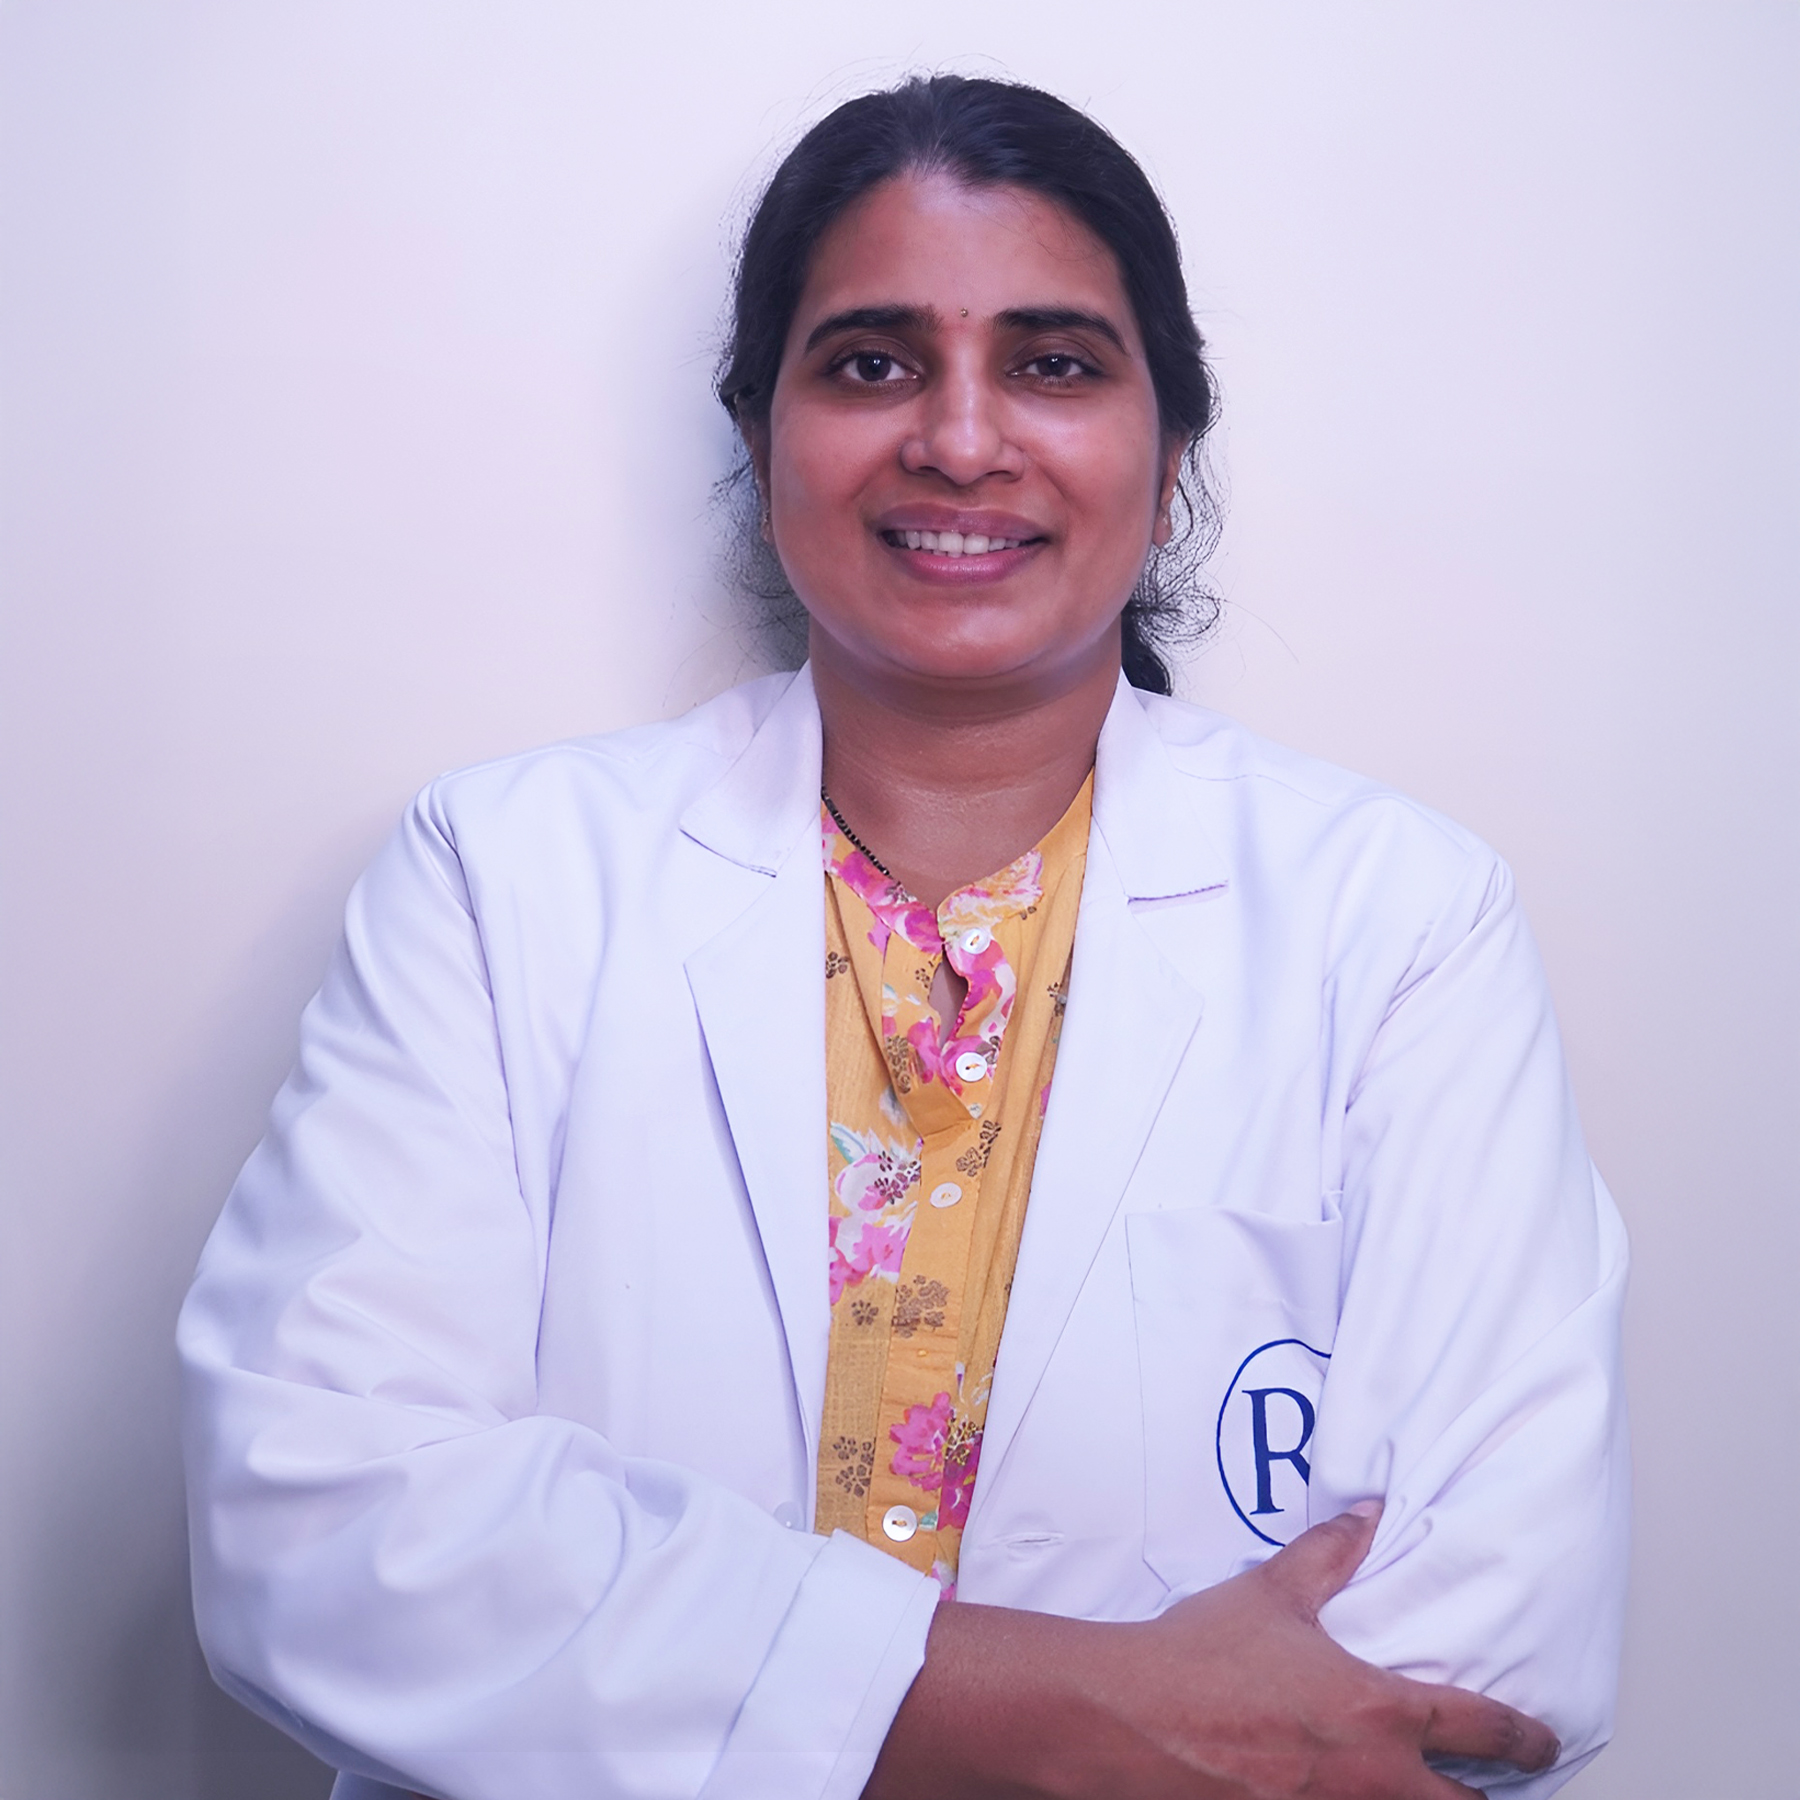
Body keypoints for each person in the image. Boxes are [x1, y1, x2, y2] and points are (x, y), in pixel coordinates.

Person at [178, 73, 1628, 1800]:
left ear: (1168, 460)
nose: (958, 436)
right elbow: (319, 1528)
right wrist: (1081, 1710)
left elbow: (1503, 1651)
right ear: (763, 439)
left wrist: (717, 1673)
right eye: (871, 362)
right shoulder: (505, 877)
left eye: (1054, 361)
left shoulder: (1396, 918)